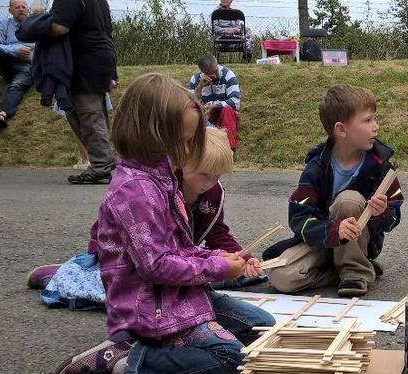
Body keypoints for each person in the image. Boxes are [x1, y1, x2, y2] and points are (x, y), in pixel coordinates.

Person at [53, 74, 271, 374]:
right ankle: (127, 357)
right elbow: (156, 265)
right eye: (183, 142)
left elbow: (180, 246)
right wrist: (217, 267)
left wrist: (216, 256)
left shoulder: (163, 180)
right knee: (234, 359)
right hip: (151, 313)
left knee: (260, 327)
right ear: (152, 136)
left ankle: (176, 345)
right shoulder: (136, 192)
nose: (187, 150)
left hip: (178, 298)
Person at [28, 126, 271, 304]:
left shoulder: (214, 192)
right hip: (136, 261)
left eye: (218, 176)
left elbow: (218, 232)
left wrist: (244, 257)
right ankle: (63, 273)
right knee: (128, 297)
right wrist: (99, 257)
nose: (211, 182)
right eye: (205, 174)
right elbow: (114, 236)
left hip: (177, 260)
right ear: (182, 163)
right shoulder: (157, 191)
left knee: (237, 275)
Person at [262, 84, 404, 297]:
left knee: (348, 200)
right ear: (341, 130)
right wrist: (332, 231)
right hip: (323, 240)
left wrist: (381, 212)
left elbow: (393, 217)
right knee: (281, 277)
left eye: (374, 118)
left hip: (358, 242)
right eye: (367, 120)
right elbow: (299, 217)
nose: (376, 127)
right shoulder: (316, 167)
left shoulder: (380, 166)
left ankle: (355, 274)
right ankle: (338, 272)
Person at [48, 0, 118, 185]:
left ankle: (101, 165)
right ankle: (104, 160)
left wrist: (35, 25)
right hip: (100, 56)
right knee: (89, 113)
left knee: (88, 113)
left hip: (84, 60)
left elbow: (58, 27)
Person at [0, 0, 36, 128]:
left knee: (17, 85)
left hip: (27, 65)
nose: (21, 9)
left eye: (24, 7)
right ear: (10, 10)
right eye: (17, 7)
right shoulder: (3, 24)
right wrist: (15, 49)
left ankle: (2, 114)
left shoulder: (35, 26)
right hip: (7, 63)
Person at [188, 54, 240, 151]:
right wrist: (199, 87)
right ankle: (201, 150)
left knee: (227, 109)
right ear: (203, 72)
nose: (215, 75)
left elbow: (235, 101)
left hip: (224, 115)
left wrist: (214, 106)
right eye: (211, 74)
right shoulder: (195, 79)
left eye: (216, 71)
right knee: (192, 113)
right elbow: (190, 104)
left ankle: (228, 149)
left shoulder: (228, 75)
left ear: (216, 62)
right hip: (206, 116)